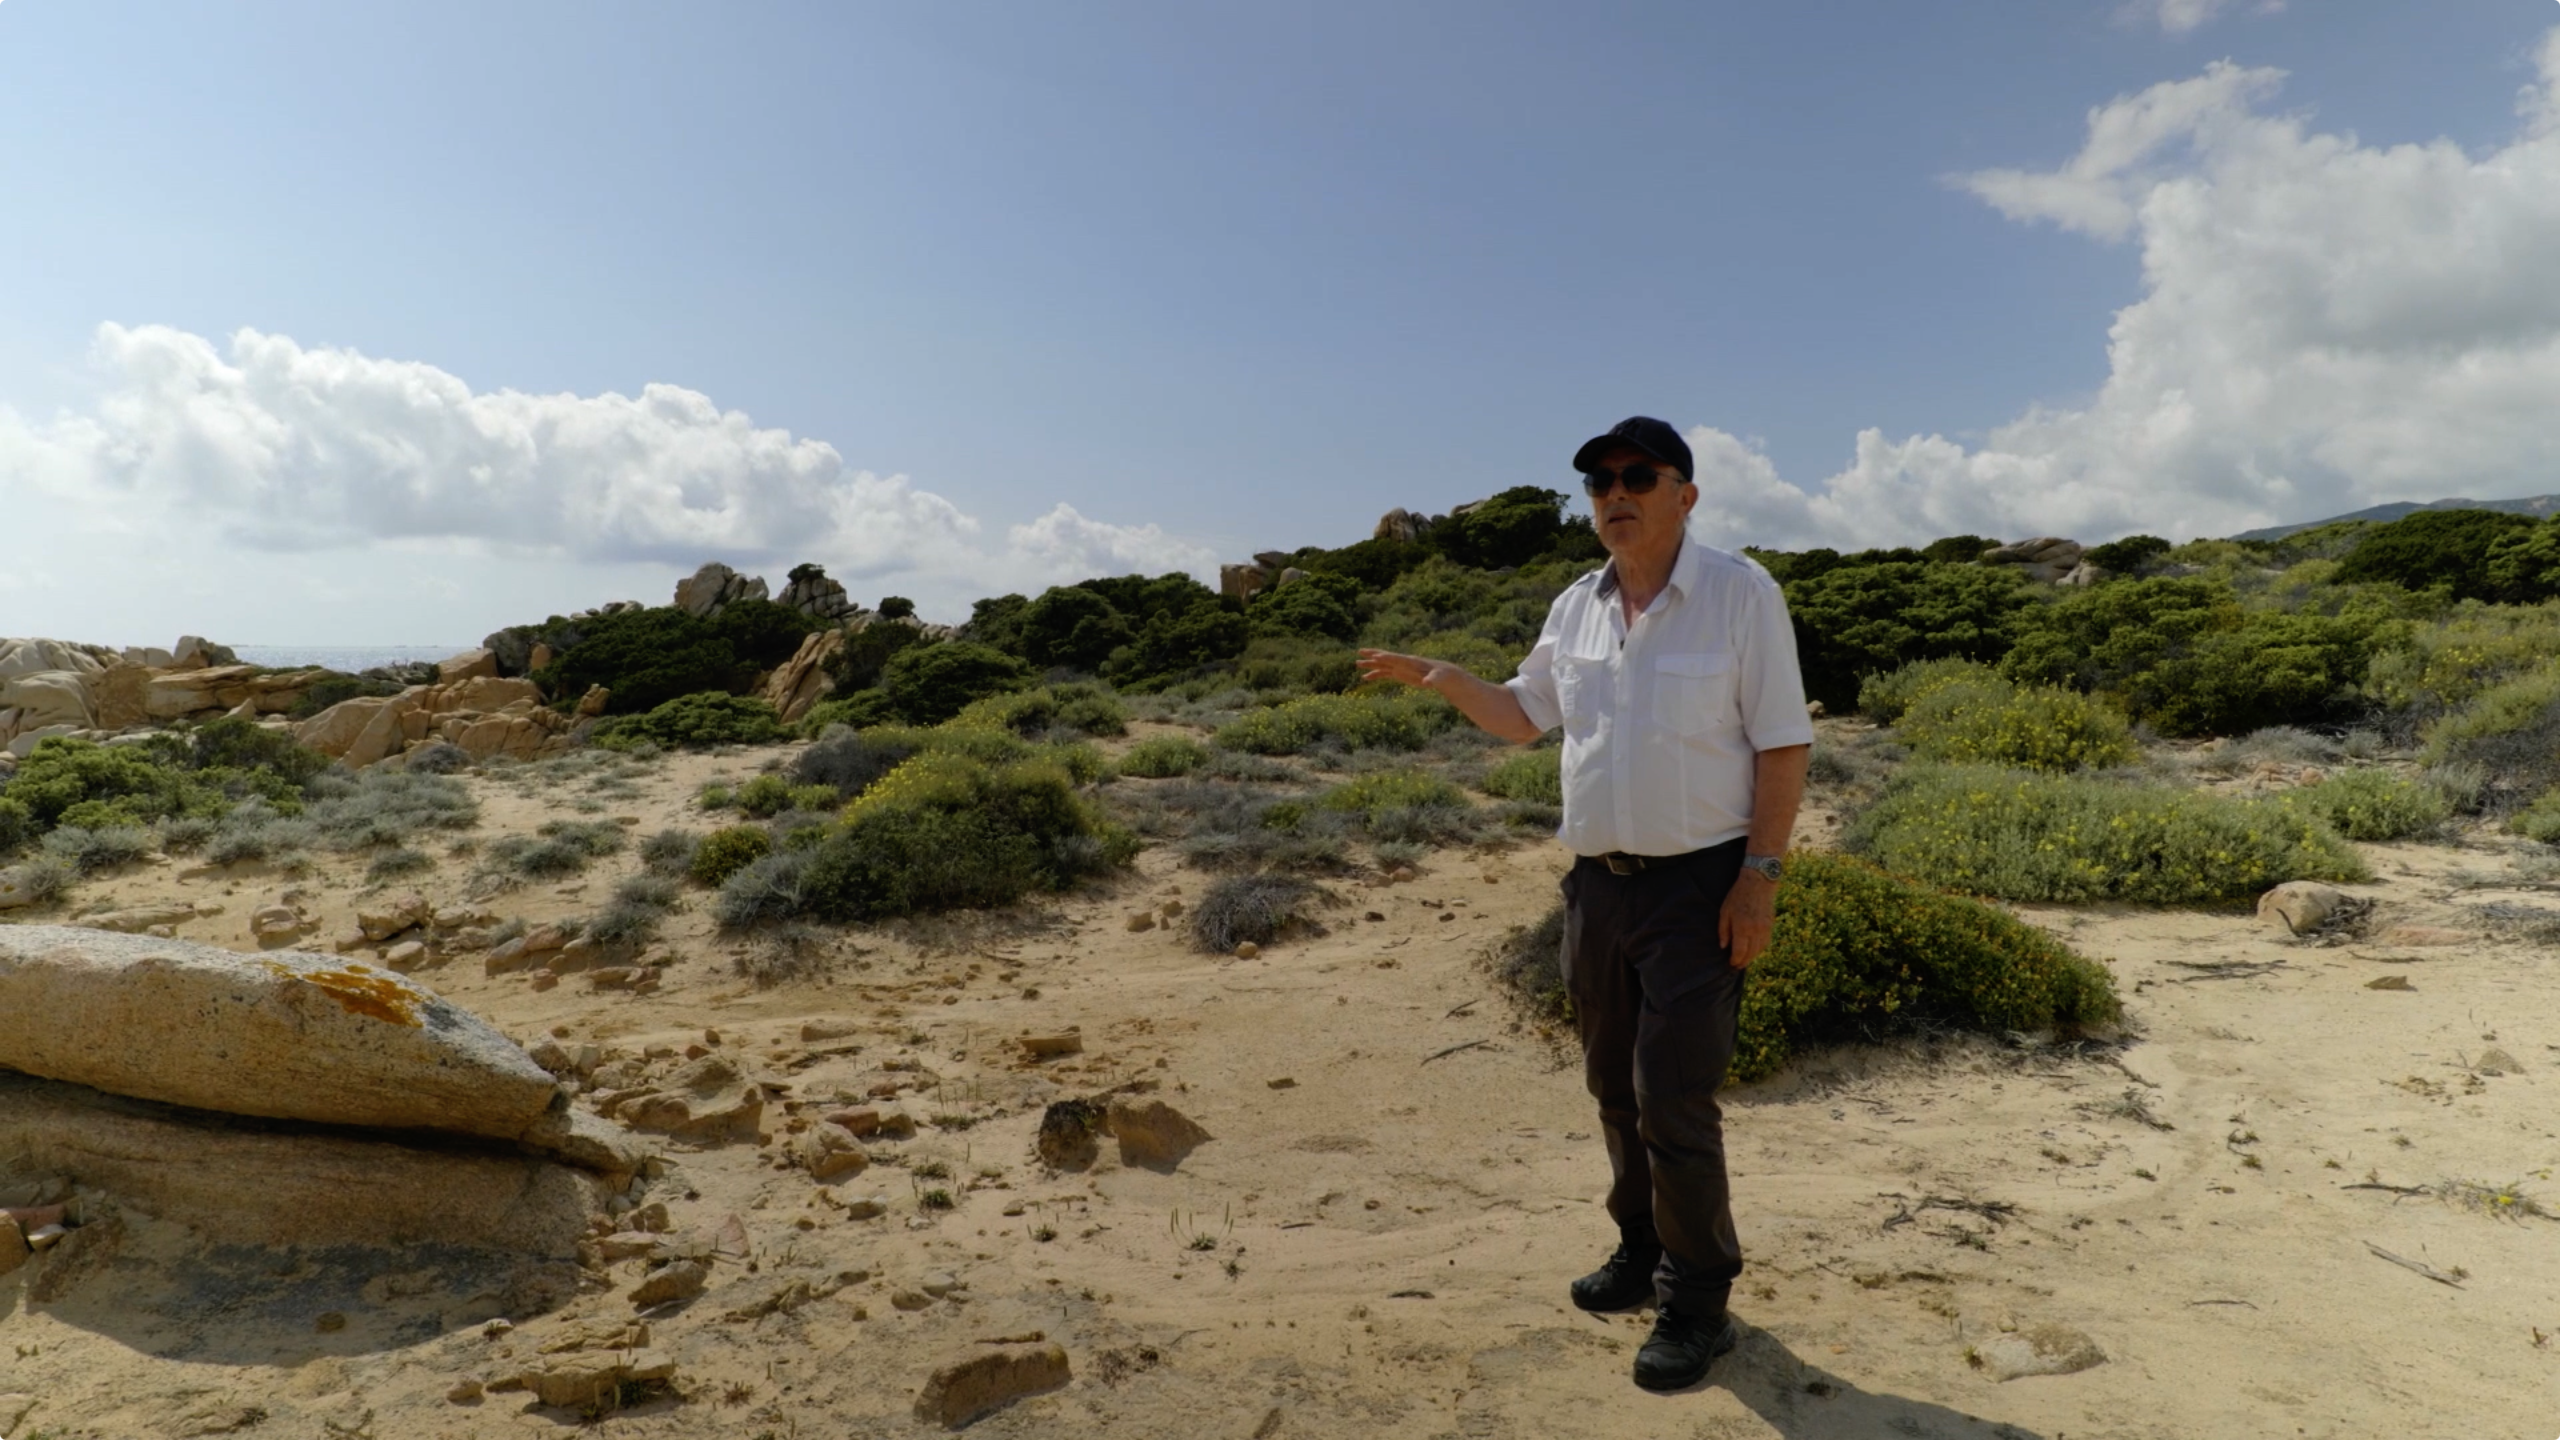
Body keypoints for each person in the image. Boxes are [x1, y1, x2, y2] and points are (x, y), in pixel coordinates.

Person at [1357, 416, 1813, 1392]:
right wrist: (1448, 681)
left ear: (1684, 494)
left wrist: (1759, 880)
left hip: (1699, 885)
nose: (1615, 494)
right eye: (1600, 482)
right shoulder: (1575, 605)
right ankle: (1641, 1252)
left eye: (1637, 476)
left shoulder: (1740, 595)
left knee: (1673, 1100)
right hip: (1596, 889)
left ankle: (1697, 1301)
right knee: (1613, 1089)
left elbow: (1783, 743)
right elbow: (1525, 714)